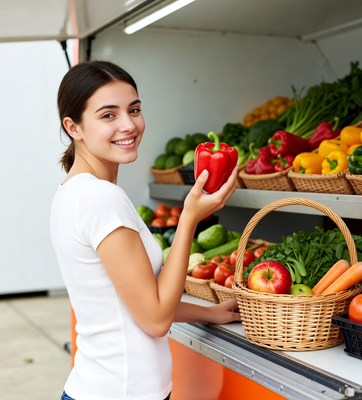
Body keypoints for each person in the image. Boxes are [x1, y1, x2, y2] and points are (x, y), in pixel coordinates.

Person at [50, 60, 241, 400]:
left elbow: (130, 303)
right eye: (108, 115)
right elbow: (155, 320)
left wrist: (208, 313)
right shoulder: (101, 198)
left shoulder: (73, 192)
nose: (128, 125)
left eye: (134, 110)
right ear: (74, 127)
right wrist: (189, 220)